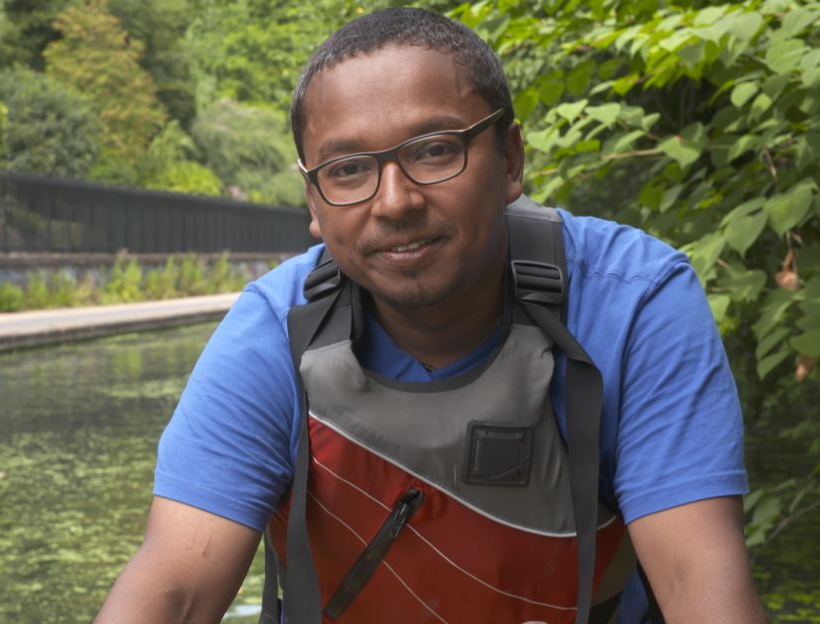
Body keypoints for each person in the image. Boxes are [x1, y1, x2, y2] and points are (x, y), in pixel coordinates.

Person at [97, 8, 766, 624]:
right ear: (313, 201)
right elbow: (176, 587)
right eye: (349, 169)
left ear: (510, 160)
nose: (393, 202)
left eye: (434, 150)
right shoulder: (276, 331)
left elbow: (695, 579)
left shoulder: (633, 304)